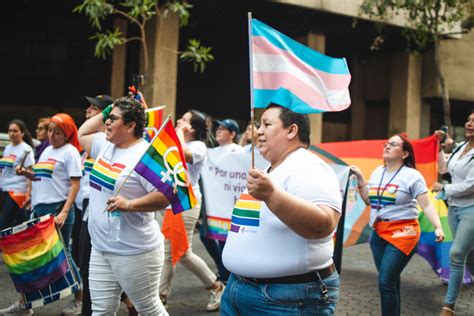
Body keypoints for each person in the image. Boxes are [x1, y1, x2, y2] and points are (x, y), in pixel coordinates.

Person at [221, 104, 342, 315]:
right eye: (259, 125)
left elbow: (324, 224)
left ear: (291, 130)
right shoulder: (272, 169)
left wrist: (271, 195)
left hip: (284, 299)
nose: (258, 131)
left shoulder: (309, 167)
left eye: (267, 124)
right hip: (238, 289)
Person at [78, 97, 169, 315]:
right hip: (100, 248)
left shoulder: (146, 155)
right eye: (107, 117)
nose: (106, 122)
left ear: (130, 126)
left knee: (148, 308)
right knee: (101, 310)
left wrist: (128, 204)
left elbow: (165, 196)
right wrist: (110, 108)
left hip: (135, 251)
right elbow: (82, 133)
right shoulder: (104, 144)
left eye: (113, 119)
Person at [351, 133, 445, 316]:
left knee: (385, 281)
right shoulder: (378, 172)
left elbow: (426, 204)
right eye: (386, 143)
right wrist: (361, 180)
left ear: (404, 154)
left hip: (404, 233)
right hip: (378, 234)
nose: (386, 146)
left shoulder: (412, 176)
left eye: (393, 144)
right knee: (391, 281)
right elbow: (369, 201)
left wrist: (438, 226)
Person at [0, 113, 83, 315]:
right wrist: (26, 173)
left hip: (57, 211)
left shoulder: (70, 152)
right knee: (31, 258)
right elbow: (39, 176)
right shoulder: (46, 151)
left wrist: (64, 212)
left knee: (63, 257)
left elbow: (75, 184)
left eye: (58, 132)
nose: (52, 135)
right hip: (39, 210)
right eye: (50, 130)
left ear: (68, 133)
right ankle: (25, 305)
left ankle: (81, 299)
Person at [159, 110, 225, 312]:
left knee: (179, 253)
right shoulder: (179, 141)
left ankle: (213, 285)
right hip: (171, 202)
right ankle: (213, 285)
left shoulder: (198, 147)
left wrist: (179, 131)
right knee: (173, 252)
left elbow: (182, 155)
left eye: (185, 120)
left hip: (187, 203)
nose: (179, 120)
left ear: (193, 128)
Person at [62, 94, 115, 316]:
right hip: (87, 210)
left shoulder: (106, 143)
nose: (88, 111)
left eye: (94, 108)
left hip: (104, 214)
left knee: (95, 270)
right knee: (87, 268)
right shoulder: (94, 144)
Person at [432, 112, 474, 316]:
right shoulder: (459, 148)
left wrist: (443, 188)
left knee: (457, 254)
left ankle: (448, 307)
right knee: (470, 255)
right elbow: (443, 167)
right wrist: (439, 146)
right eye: (469, 120)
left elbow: (470, 185)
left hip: (472, 210)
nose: (470, 124)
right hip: (454, 209)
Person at [200, 118, 244, 284]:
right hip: (213, 204)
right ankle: (223, 270)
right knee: (206, 236)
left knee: (224, 240)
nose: (219, 130)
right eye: (218, 128)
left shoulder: (237, 152)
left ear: (232, 134)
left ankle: (226, 276)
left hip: (230, 206)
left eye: (224, 128)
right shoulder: (212, 153)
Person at [0, 119, 35, 230]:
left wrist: (29, 194)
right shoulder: (7, 148)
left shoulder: (26, 149)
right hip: (4, 189)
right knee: (16, 222)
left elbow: (31, 174)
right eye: (10, 131)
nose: (12, 133)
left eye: (15, 131)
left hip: (18, 191)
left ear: (22, 133)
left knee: (4, 223)